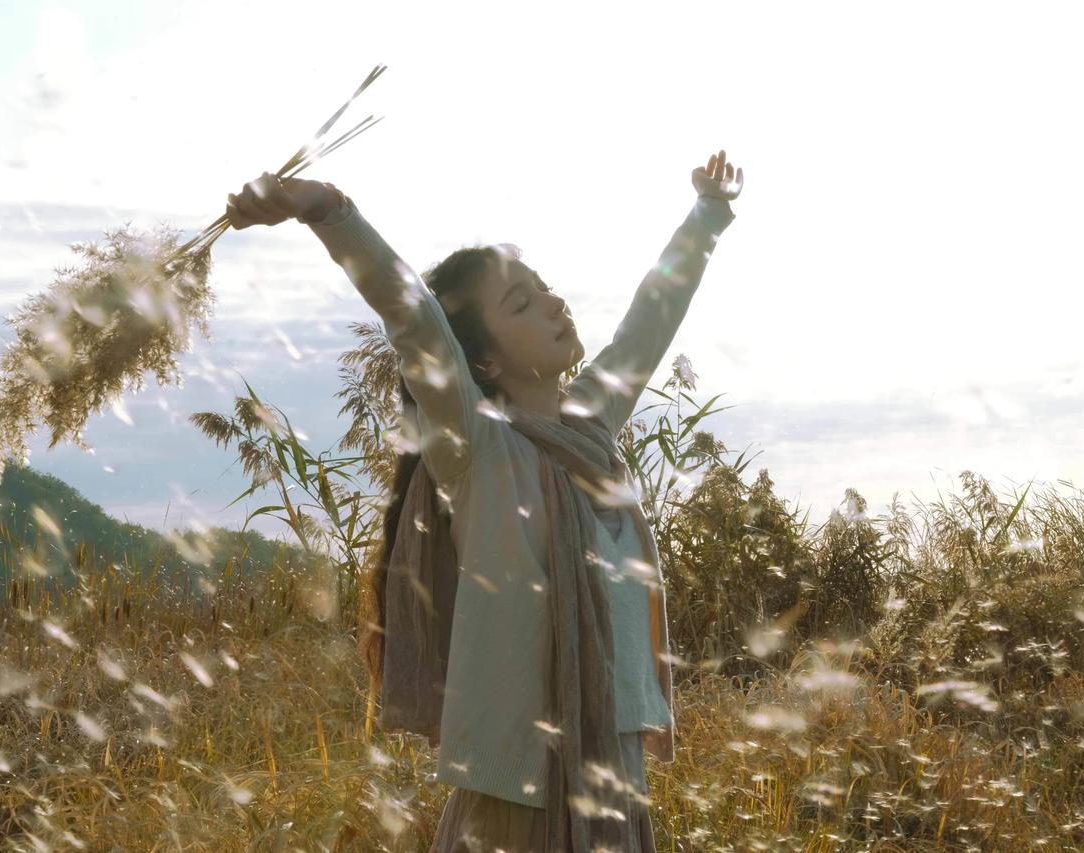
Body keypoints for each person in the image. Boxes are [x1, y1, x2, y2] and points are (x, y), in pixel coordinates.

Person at [226, 148, 743, 852]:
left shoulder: (591, 430)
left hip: (614, 784)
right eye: (520, 303)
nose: (553, 303)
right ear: (486, 361)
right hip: (515, 798)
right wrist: (328, 209)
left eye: (543, 288)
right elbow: (412, 318)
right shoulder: (477, 450)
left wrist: (707, 215)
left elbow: (651, 320)